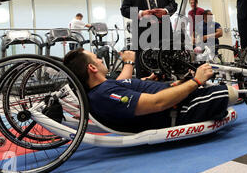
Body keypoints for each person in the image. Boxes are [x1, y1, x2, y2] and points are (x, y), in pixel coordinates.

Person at [63, 48, 237, 133]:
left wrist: (180, 82)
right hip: (178, 110)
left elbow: (129, 84)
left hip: (175, 98)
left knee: (223, 89)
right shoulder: (103, 95)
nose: (101, 60)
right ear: (92, 68)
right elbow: (157, 103)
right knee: (228, 93)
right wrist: (196, 81)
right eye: (96, 59)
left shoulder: (105, 86)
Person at [120, 0, 177, 78]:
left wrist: (165, 11)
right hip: (142, 33)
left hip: (164, 30)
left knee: (166, 62)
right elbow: (124, 10)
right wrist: (141, 13)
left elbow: (173, 5)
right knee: (143, 64)